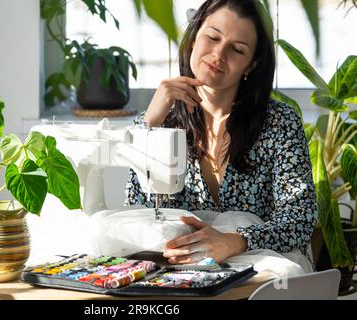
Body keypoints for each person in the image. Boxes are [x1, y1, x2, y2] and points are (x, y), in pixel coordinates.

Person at [124, 0, 318, 266]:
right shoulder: (159, 121)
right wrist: (151, 125)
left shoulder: (280, 122)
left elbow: (300, 217)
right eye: (212, 37)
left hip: (260, 270)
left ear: (251, 65)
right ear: (193, 39)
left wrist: (236, 241)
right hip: (182, 271)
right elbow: (138, 211)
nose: (218, 55)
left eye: (237, 49)